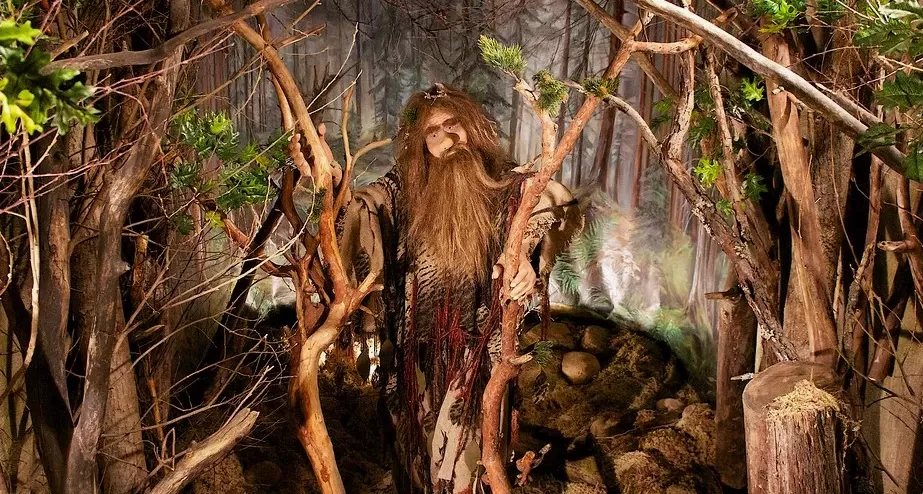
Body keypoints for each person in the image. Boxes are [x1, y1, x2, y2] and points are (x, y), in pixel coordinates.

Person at [335, 83, 581, 493]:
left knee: (468, 451)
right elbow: (364, 206)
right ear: (420, 142)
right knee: (415, 444)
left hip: (480, 343)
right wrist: (335, 190)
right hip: (416, 342)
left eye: (453, 124)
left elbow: (546, 198)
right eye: (432, 132)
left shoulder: (501, 180)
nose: (446, 138)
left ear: (471, 125)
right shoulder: (406, 185)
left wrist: (522, 256)